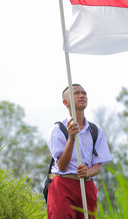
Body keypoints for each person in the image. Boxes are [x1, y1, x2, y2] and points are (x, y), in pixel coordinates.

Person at [47, 83, 112, 219]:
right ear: (65, 102)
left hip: (86, 185)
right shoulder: (59, 129)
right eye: (76, 93)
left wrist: (88, 172)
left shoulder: (96, 131)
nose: (82, 95)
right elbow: (62, 167)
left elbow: (98, 165)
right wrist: (71, 139)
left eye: (84, 93)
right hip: (63, 184)